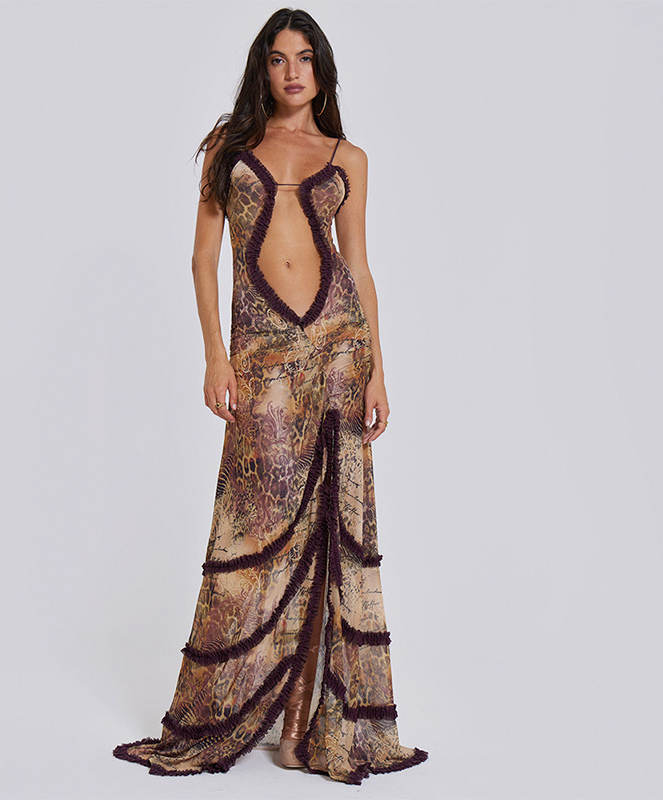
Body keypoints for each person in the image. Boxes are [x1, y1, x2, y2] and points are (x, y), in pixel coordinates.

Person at [112, 7, 428, 784]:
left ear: (322, 70)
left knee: (329, 533)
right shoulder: (229, 148)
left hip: (338, 349)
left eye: (305, 58)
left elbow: (359, 266)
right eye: (279, 58)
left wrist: (379, 368)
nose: (293, 71)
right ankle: (224, 707)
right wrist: (215, 356)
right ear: (264, 68)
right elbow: (202, 258)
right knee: (254, 525)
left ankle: (298, 731)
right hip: (261, 351)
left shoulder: (348, 158)